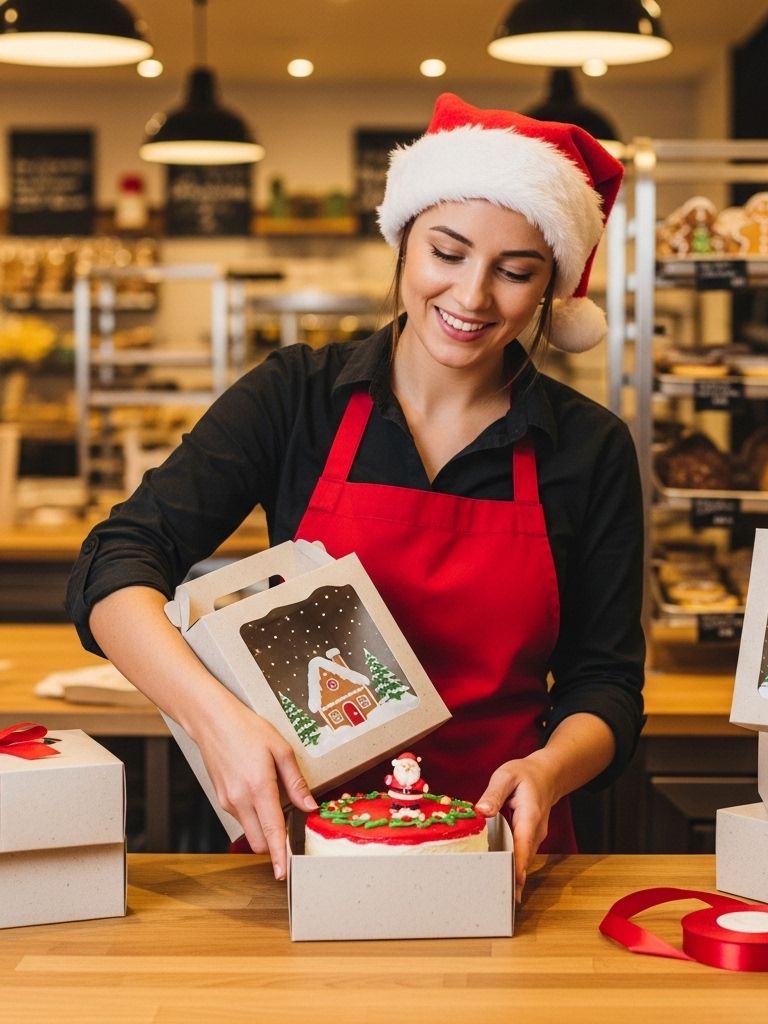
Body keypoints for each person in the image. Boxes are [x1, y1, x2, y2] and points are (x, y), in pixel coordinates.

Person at [66, 93, 645, 899]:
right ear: (403, 243)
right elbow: (116, 562)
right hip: (302, 849)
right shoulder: (296, 398)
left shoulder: (589, 447)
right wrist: (217, 721)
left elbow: (605, 683)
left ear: (552, 288)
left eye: (516, 272)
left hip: (497, 851)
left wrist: (549, 771)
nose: (472, 296)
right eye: (447, 252)